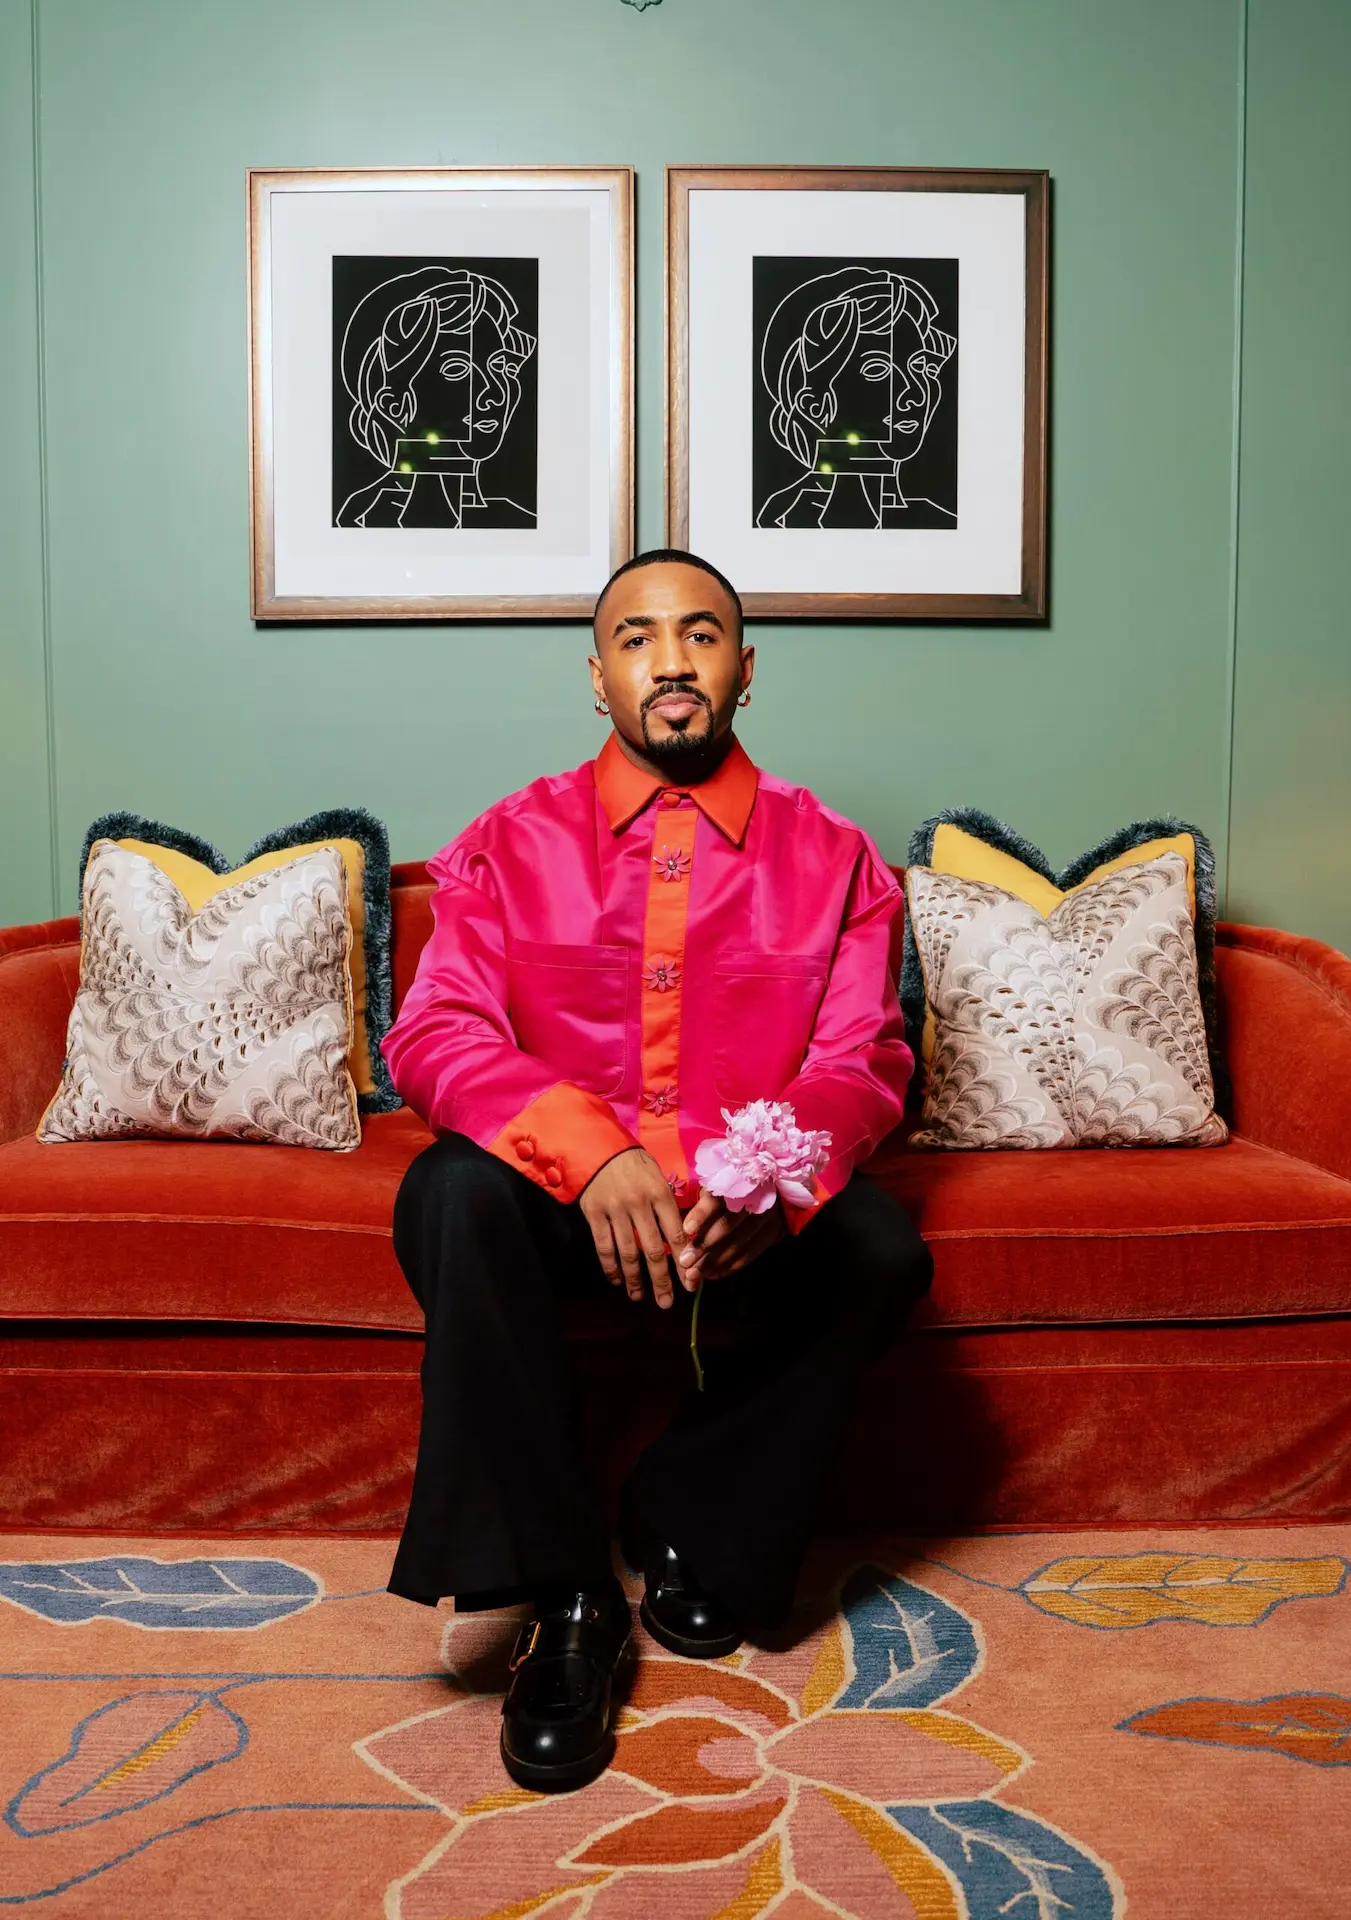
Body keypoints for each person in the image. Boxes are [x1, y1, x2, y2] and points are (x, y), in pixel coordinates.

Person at [381, 549, 932, 1792]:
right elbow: (433, 1033)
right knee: (449, 1196)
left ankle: (689, 1517)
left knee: (885, 1251)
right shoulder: (506, 843)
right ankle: (568, 1594)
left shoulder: (836, 859)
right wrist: (588, 1152)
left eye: (698, 636)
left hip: (735, 1217)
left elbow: (867, 1056)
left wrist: (766, 1181)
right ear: (596, 678)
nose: (670, 661)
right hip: (565, 1206)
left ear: (745, 666)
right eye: (636, 639)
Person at [335, 264, 536, 529]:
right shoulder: (359, 522)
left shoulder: (522, 527)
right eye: (457, 369)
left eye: (499, 366)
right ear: (393, 404)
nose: (495, 394)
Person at [756, 266, 958, 529]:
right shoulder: (778, 522)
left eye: (920, 367)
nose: (916, 394)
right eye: (878, 370)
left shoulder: (941, 526)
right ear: (814, 405)